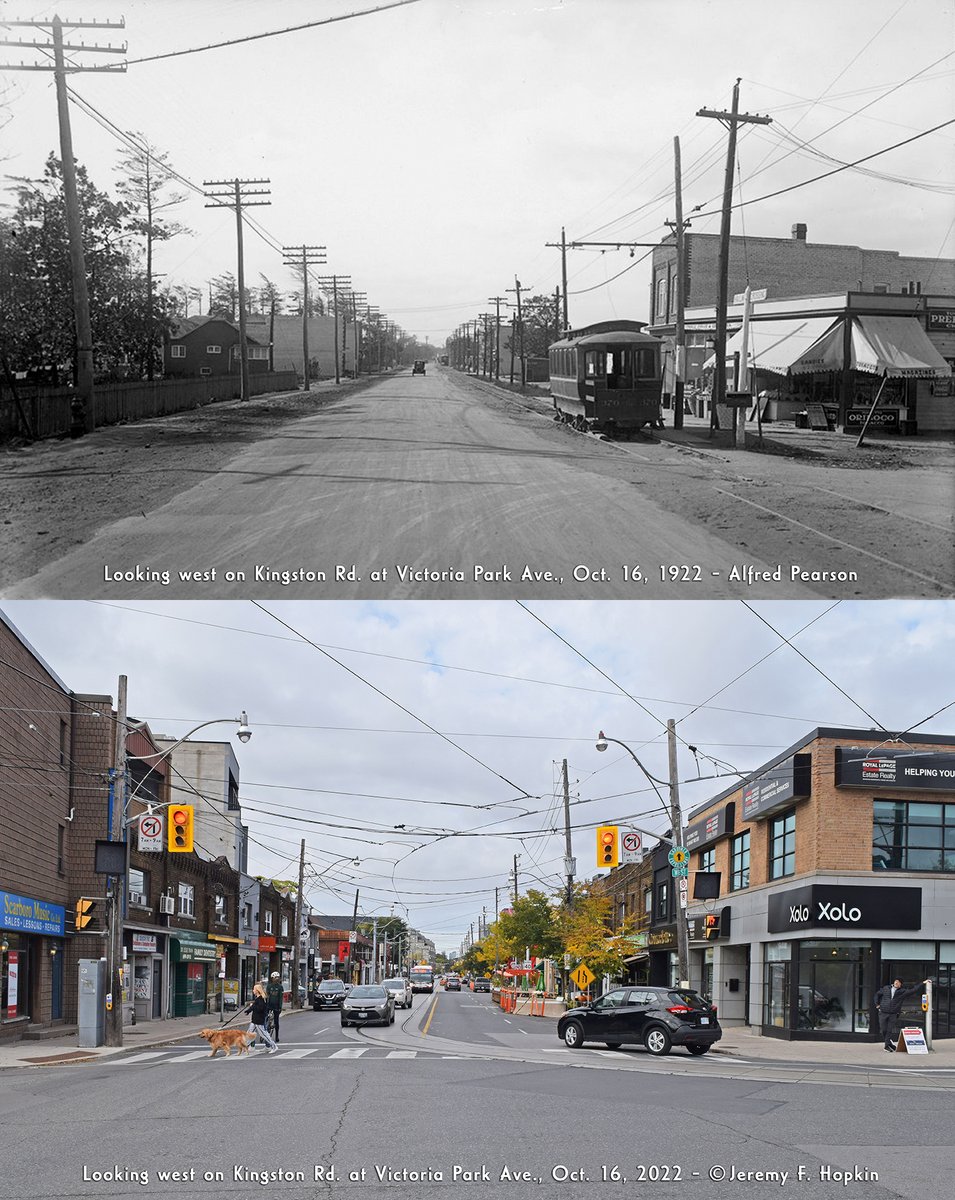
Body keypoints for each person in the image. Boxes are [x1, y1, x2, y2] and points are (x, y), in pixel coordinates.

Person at [874, 978, 930, 1051]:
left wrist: (923, 983)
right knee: (884, 1029)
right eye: (896, 981)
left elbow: (914, 990)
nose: (897, 983)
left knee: (889, 1030)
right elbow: (877, 994)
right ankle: (888, 1043)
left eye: (899, 982)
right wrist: (877, 1004)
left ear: (900, 985)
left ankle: (886, 1046)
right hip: (883, 1012)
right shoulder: (886, 988)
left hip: (893, 1013)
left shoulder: (902, 992)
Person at [245, 982, 278, 1053]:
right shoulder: (258, 999)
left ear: (257, 991)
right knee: (249, 1033)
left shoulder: (261, 999)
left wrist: (251, 1007)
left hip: (258, 1020)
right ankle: (244, 1047)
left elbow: (260, 1009)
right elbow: (254, 1007)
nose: (253, 990)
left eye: (254, 989)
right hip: (254, 1020)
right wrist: (248, 1010)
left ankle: (274, 1046)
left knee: (264, 1035)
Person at [265, 971, 284, 1043]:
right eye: (275, 978)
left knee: (276, 1021)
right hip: (269, 1004)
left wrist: (280, 1007)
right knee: (265, 1018)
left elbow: (280, 998)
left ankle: (277, 1036)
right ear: (272, 978)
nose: (276, 979)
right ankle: (264, 1032)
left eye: (277, 978)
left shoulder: (280, 987)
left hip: (276, 1005)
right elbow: (267, 995)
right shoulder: (269, 986)